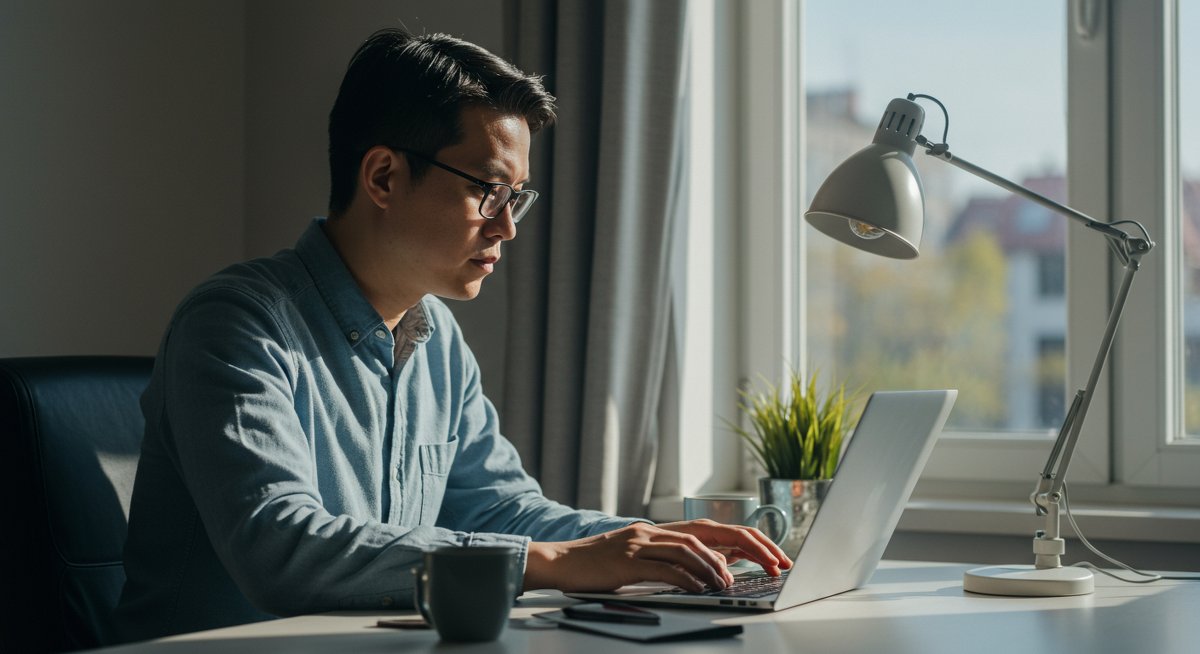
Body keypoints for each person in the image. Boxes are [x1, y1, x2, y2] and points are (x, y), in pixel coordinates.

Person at [114, 28, 790, 643]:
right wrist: (555, 563)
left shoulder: (437, 339)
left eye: (516, 198)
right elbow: (283, 548)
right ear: (383, 176)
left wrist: (646, 542)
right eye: (489, 192)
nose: (507, 229)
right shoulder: (236, 323)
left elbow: (505, 512)